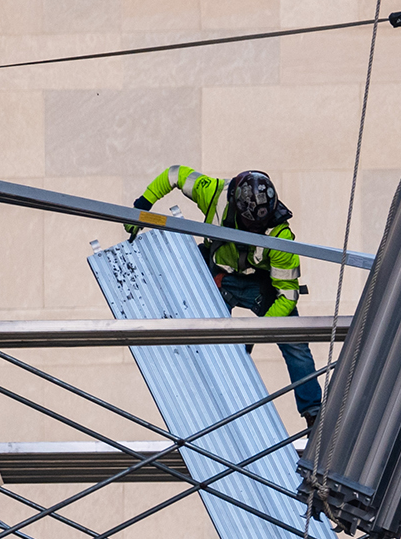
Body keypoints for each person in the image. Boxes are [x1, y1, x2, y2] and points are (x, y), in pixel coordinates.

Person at [133, 167, 324, 429]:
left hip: (261, 287)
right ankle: (205, 410)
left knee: (295, 343)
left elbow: (288, 296)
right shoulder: (213, 193)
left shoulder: (280, 235)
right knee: (206, 338)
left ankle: (313, 413)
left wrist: (254, 334)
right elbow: (174, 175)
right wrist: (143, 207)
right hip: (220, 277)